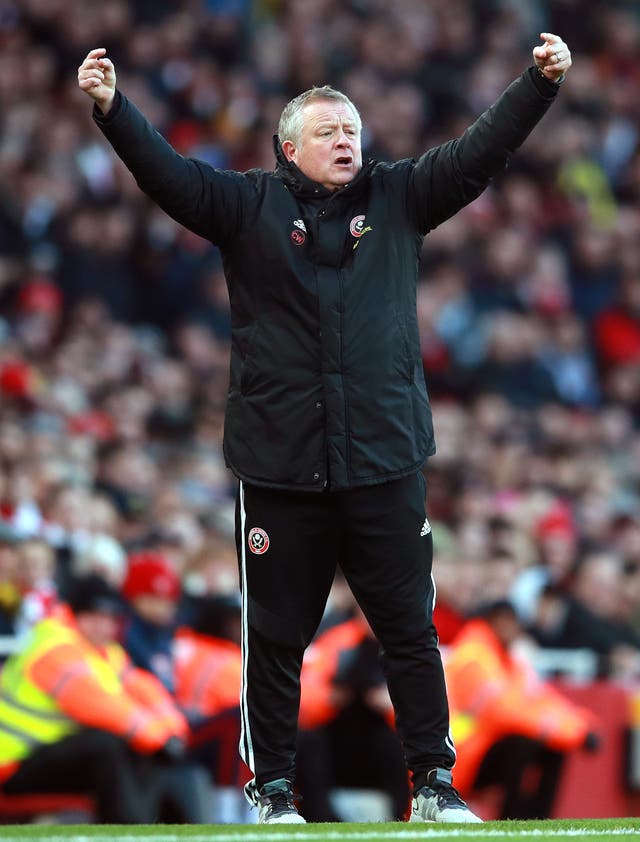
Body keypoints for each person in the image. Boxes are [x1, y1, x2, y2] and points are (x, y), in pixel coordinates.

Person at [78, 32, 572, 824]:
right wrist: (112, 109)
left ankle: (434, 787)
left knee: (411, 632)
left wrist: (536, 86)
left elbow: (477, 154)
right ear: (287, 148)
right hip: (281, 466)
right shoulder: (246, 206)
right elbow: (169, 180)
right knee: (275, 640)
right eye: (329, 132)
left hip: (383, 460)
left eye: (353, 131)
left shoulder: (400, 196)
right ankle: (273, 792)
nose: (347, 142)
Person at [0, 574, 193, 823]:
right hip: (13, 764)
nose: (104, 626)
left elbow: (144, 689)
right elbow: (100, 706)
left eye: (110, 619)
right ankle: (129, 829)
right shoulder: (54, 647)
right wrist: (159, 739)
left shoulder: (105, 651)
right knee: (108, 744)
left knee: (137, 748)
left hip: (48, 755)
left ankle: (154, 825)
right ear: (75, 613)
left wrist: (173, 731)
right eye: (95, 617)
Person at [444, 600, 599, 819]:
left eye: (514, 622)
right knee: (522, 744)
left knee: (552, 745)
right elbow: (502, 711)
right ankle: (513, 820)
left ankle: (539, 822)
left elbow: (540, 698)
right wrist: (570, 733)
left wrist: (580, 726)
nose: (511, 628)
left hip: (482, 748)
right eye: (505, 621)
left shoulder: (507, 658)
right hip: (460, 753)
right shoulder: (474, 656)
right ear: (492, 621)